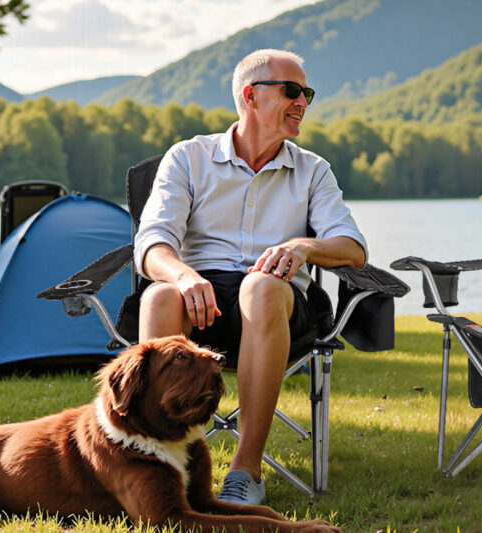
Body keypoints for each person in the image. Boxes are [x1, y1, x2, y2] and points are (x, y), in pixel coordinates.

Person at [133, 49, 367, 506]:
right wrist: (182, 277)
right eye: (292, 91)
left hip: (277, 305)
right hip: (200, 303)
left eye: (308, 93)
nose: (303, 102)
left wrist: (304, 246)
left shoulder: (313, 170)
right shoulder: (188, 158)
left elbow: (353, 248)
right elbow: (152, 244)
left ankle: (245, 469)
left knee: (260, 287)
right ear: (250, 96)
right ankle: (158, 464)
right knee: (160, 297)